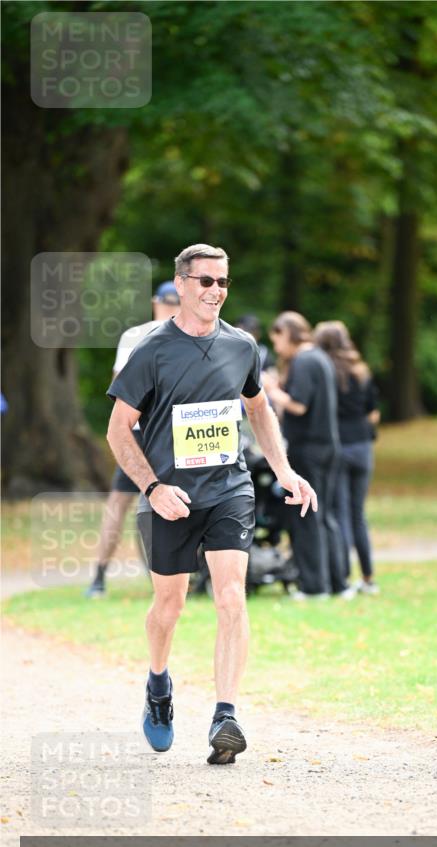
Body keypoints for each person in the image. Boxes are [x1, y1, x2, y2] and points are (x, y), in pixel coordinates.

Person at [106, 245, 316, 764]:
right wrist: (154, 489)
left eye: (222, 281)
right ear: (180, 284)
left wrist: (284, 470)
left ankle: (226, 715)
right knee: (169, 607)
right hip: (170, 498)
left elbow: (258, 408)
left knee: (230, 597)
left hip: (229, 489)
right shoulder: (152, 350)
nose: (215, 291)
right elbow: (117, 430)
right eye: (204, 281)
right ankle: (158, 686)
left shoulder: (242, 346)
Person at [85, 282, 180, 598]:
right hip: (167, 435)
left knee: (120, 504)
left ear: (155, 303)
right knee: (177, 500)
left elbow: (118, 388)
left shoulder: (134, 336)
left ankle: (99, 578)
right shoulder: (188, 336)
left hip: (139, 434)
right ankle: (174, 575)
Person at [264, 311, 351, 600]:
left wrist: (271, 390)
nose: (277, 348)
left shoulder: (303, 361)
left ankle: (314, 586)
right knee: (325, 515)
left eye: (277, 339)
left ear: (287, 334)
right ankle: (338, 582)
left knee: (305, 516)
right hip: (329, 446)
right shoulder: (322, 358)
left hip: (307, 449)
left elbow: (299, 405)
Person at [314, 321, 380, 594]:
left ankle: (342, 576)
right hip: (363, 446)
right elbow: (374, 412)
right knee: (358, 514)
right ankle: (368, 577)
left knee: (339, 513)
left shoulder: (325, 371)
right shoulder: (361, 371)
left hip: (338, 447)